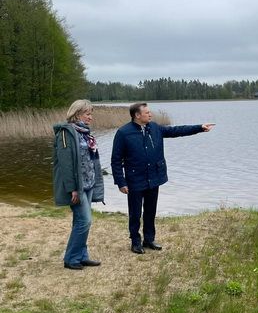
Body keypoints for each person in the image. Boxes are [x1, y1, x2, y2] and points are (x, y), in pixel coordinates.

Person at [111, 102, 214, 254]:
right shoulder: (123, 133)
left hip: (154, 177)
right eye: (147, 113)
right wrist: (121, 182)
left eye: (149, 112)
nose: (150, 114)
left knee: (150, 210)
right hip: (134, 180)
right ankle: (135, 241)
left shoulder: (155, 128)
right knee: (135, 213)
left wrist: (199, 128)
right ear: (137, 115)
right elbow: (116, 160)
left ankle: (149, 239)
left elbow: (176, 131)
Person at [53, 99, 104, 270]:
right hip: (78, 187)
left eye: (91, 114)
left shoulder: (84, 133)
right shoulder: (65, 133)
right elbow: (65, 164)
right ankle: (71, 258)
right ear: (76, 114)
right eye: (87, 114)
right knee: (85, 221)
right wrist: (72, 188)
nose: (91, 117)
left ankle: (82, 256)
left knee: (80, 221)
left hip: (88, 183)